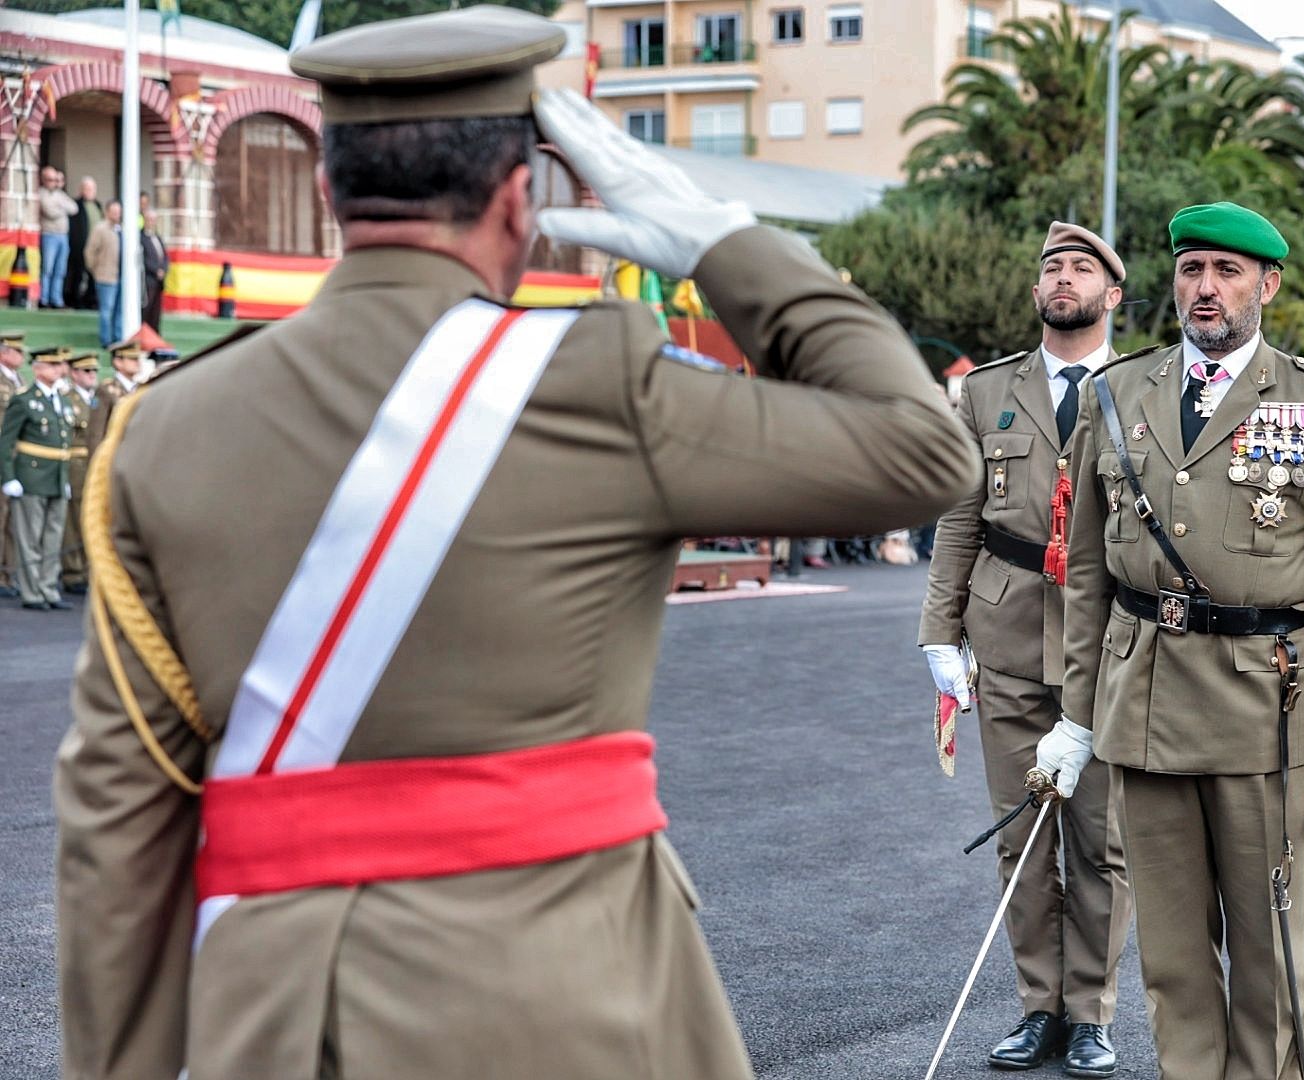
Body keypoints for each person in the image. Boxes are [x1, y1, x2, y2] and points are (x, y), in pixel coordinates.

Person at [53, 8, 976, 1080]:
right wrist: (721, 242)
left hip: (279, 1017)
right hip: (571, 997)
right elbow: (922, 452)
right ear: (517, 198)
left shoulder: (163, 423)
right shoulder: (602, 383)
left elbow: (119, 809)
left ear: (328, 193)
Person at [1041, 202, 1304, 1080]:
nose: (1207, 288)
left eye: (1228, 272)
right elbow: (1087, 575)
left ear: (1266, 286)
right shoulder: (1116, 394)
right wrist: (1075, 716)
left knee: (1269, 951)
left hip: (1261, 713)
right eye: (1193, 268)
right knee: (1172, 956)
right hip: (1143, 705)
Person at [919, 221, 1134, 1076]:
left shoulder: (1142, 386)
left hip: (1110, 643)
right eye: (1051, 266)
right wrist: (939, 630)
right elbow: (960, 516)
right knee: (1021, 839)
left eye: (1082, 267)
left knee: (1099, 840)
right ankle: (1037, 1008)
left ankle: (1090, 1013)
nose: (1063, 277)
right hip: (1005, 633)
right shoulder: (986, 391)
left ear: (1112, 295)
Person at [0, 346, 74, 611]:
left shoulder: (63, 400)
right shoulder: (24, 399)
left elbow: (64, 441)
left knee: (53, 537)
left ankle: (48, 588)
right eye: (52, 364)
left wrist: (64, 477)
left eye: (60, 365)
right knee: (30, 537)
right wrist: (8, 477)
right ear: (38, 368)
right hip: (31, 475)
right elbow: (6, 441)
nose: (58, 369)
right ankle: (32, 592)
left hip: (57, 475)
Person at [57, 353, 99, 594]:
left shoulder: (97, 399)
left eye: (93, 371)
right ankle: (73, 572)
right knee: (73, 520)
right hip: (75, 464)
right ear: (74, 374)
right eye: (86, 372)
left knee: (91, 518)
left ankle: (88, 568)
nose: (91, 375)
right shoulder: (67, 399)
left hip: (93, 463)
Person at [0, 330, 26, 598]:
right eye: (16, 351)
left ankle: (8, 573)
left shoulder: (19, 379)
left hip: (14, 455)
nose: (21, 356)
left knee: (10, 520)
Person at [89, 340, 142, 456]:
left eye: (138, 358)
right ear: (118, 362)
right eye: (132, 359)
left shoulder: (141, 389)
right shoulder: (105, 390)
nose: (137, 362)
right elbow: (96, 432)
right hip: (115, 455)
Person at [37, 166, 79, 309]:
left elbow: (74, 208)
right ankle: (44, 299)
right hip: (49, 235)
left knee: (60, 270)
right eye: (50, 179)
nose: (53, 182)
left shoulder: (59, 194)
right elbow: (49, 211)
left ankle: (57, 300)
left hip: (63, 236)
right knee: (47, 269)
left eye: (56, 180)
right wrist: (62, 208)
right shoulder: (41, 194)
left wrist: (60, 207)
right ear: (43, 180)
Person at [84, 199, 123, 347]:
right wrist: (95, 270)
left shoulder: (121, 229)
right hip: (105, 276)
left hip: (120, 276)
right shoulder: (100, 229)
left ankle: (118, 338)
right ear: (107, 212)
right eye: (114, 212)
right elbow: (89, 252)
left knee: (119, 310)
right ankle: (106, 340)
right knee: (107, 310)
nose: (116, 215)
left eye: (118, 212)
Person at [66, 176, 102, 310]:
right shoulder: (76, 205)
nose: (89, 191)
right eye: (86, 188)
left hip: (96, 248)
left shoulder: (97, 205)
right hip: (81, 246)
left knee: (93, 276)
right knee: (78, 274)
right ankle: (75, 300)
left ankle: (91, 300)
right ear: (81, 190)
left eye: (91, 189)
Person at [139, 191, 169, 332]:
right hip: (148, 280)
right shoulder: (141, 237)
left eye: (153, 220)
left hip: (158, 281)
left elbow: (164, 256)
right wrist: (156, 270)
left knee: (156, 313)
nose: (151, 222)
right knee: (146, 310)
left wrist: (163, 269)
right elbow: (143, 259)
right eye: (149, 219)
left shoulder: (157, 237)